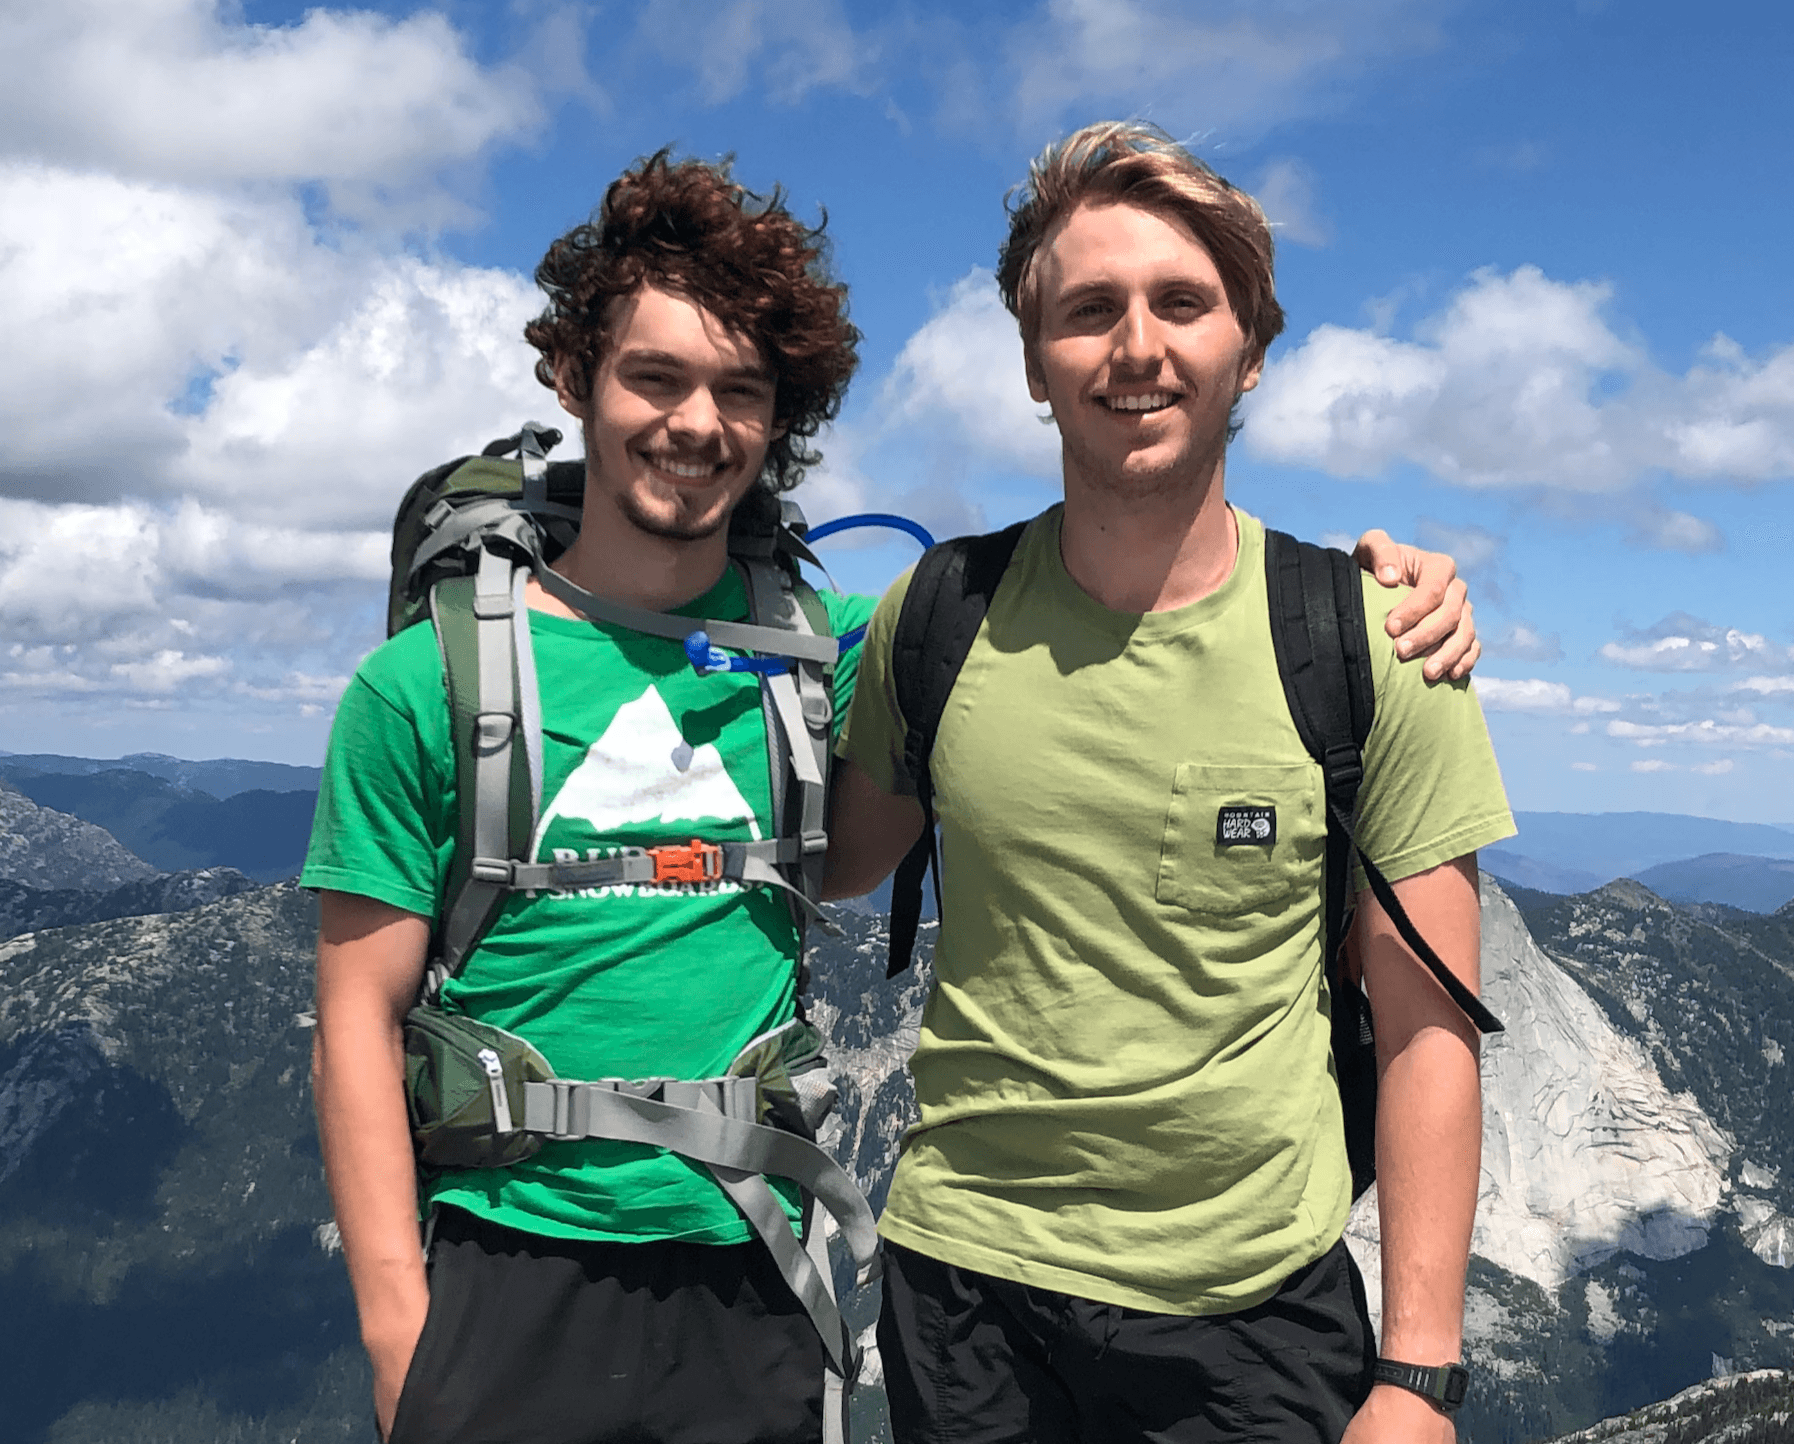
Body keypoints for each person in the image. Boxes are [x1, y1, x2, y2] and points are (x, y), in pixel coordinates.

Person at [306, 147, 1485, 1444]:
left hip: (792, 1276)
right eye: (653, 375)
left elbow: (1421, 1013)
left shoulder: (927, 636)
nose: (696, 423)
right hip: (606, 1274)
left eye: (739, 390)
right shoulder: (435, 688)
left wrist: (1389, 582)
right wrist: (394, 1324)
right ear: (573, 379)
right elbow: (357, 1016)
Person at [825, 121, 1516, 1444]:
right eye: (1087, 311)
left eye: (1180, 304)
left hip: (1249, 1316)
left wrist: (1417, 1377)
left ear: (1248, 351)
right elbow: (838, 860)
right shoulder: (933, 616)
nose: (1134, 345)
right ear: (1035, 365)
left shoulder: (1374, 643)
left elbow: (1427, 1019)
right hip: (961, 1294)